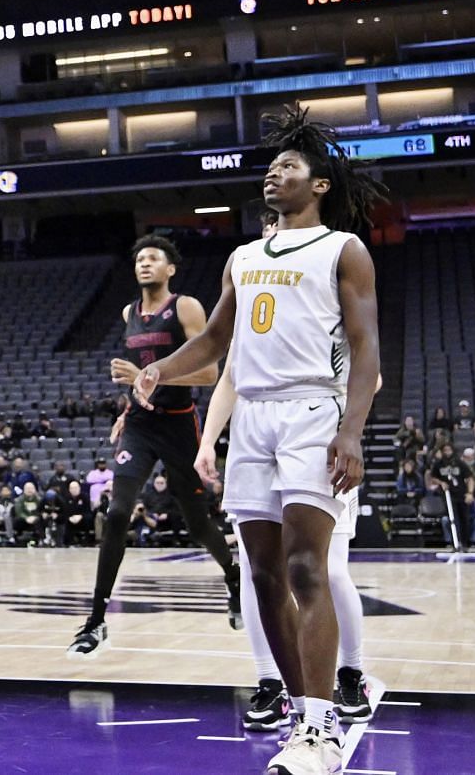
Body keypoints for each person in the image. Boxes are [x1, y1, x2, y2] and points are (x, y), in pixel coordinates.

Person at [134, 106, 385, 775]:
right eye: (271, 167)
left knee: (309, 567)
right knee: (266, 572)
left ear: (321, 184)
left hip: (312, 411)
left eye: (290, 166)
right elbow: (215, 342)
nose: (274, 173)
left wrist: (351, 431)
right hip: (254, 417)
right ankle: (299, 714)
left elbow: (365, 350)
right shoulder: (243, 257)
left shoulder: (344, 249)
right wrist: (161, 369)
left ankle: (322, 726)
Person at [198, 207, 382, 732]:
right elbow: (229, 374)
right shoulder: (253, 282)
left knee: (322, 570)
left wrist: (349, 430)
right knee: (265, 576)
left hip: (321, 436)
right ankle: (274, 682)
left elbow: (370, 373)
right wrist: (208, 440)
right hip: (259, 435)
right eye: (266, 227)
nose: (273, 234)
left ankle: (350, 673)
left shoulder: (327, 283)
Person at [69, 236, 241, 659]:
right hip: (141, 424)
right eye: (139, 258)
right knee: (116, 513)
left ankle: (233, 578)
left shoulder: (185, 307)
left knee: (198, 524)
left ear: (170, 270)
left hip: (181, 425)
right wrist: (128, 408)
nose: (144, 264)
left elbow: (207, 374)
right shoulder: (130, 312)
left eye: (153, 259)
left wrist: (146, 375)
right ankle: (95, 620)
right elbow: (139, 382)